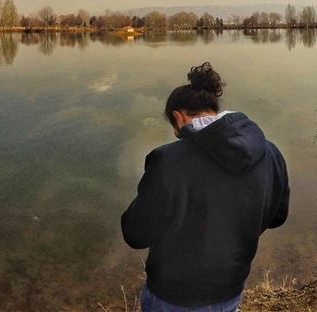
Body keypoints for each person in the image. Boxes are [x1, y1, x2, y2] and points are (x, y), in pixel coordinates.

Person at [121, 62, 290, 312]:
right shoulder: (270, 152)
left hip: (172, 297)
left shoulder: (167, 162)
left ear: (178, 117)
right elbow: (277, 216)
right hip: (230, 291)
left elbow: (136, 233)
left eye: (175, 128)